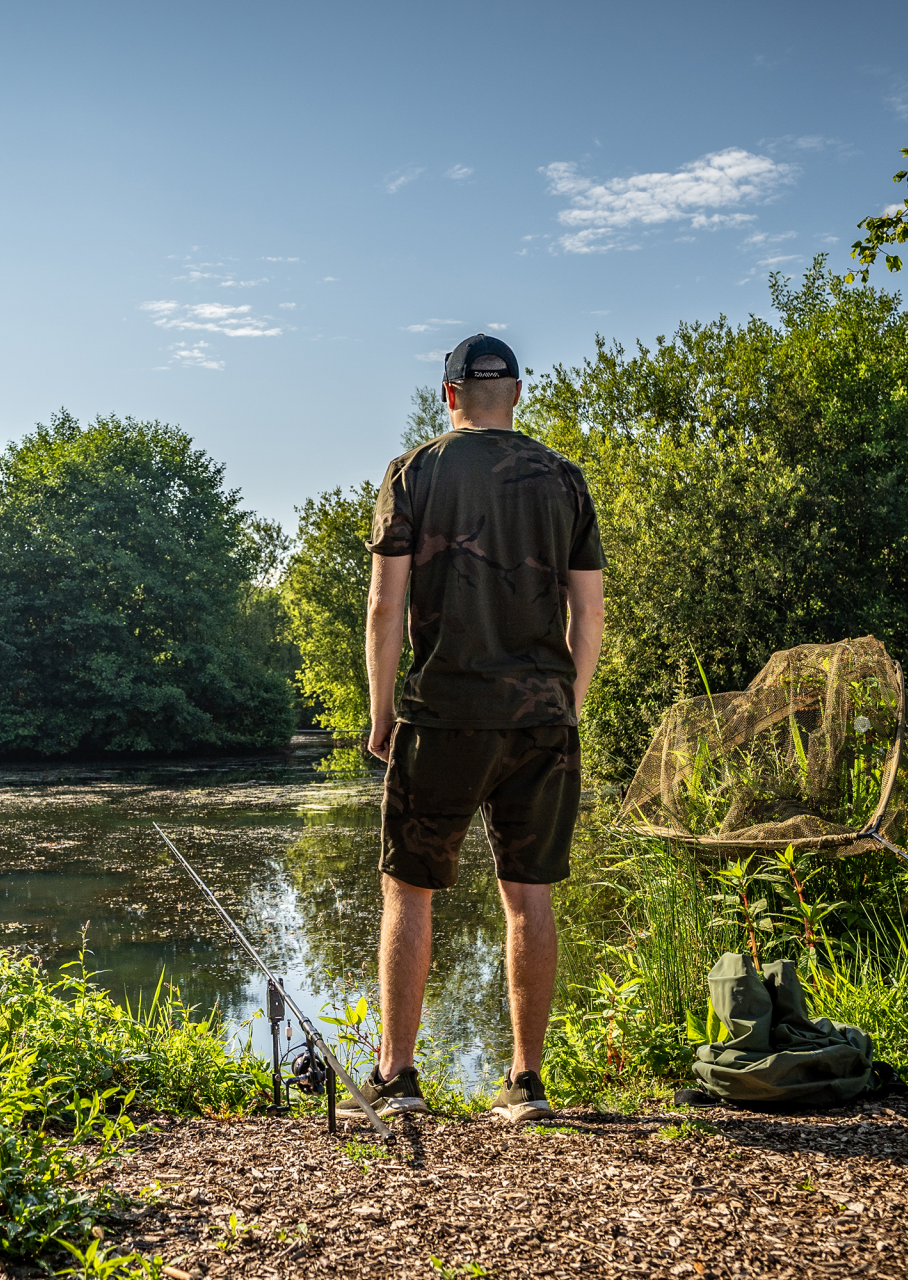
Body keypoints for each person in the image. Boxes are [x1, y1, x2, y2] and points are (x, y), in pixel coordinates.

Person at [341, 332, 605, 1124]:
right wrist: (571, 701)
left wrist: (382, 708)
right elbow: (587, 609)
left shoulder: (414, 472)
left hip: (447, 713)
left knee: (409, 891)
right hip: (544, 718)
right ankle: (525, 1084)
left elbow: (387, 603)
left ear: (448, 394)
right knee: (529, 897)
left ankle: (398, 1078)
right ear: (516, 393)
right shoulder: (563, 479)